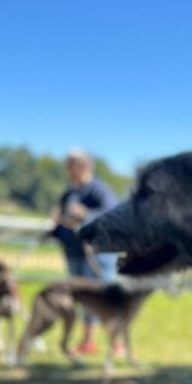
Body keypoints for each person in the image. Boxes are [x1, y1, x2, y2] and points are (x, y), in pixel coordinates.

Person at [48, 147, 121, 354]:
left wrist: (86, 214)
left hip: (98, 255)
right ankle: (89, 342)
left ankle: (116, 342)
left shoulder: (99, 190)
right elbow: (64, 222)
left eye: (73, 165)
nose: (70, 169)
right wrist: (54, 228)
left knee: (103, 298)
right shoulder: (69, 193)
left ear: (84, 166)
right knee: (83, 298)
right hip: (74, 252)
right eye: (69, 165)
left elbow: (112, 214)